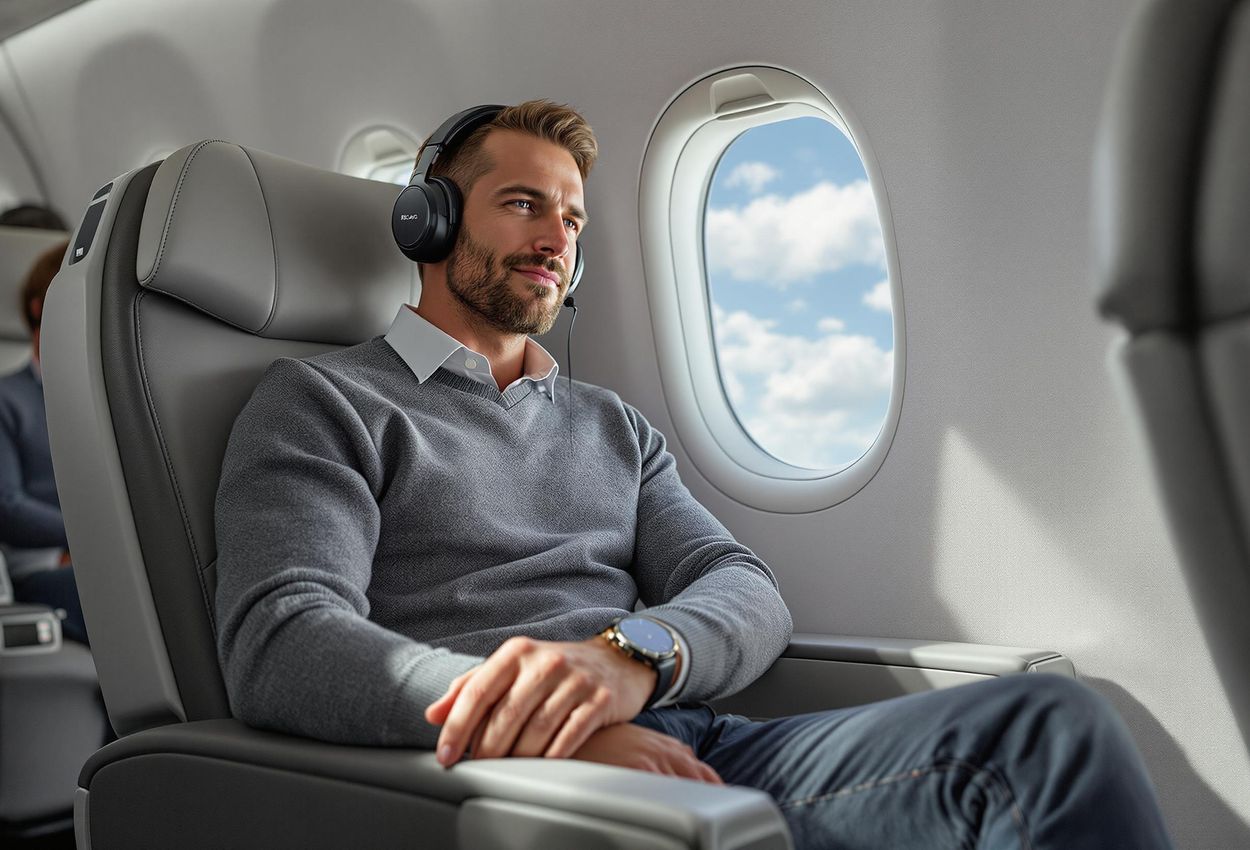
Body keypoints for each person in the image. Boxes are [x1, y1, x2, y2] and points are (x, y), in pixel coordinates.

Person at [214, 100, 1174, 848]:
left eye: (573, 220)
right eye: (523, 204)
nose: (557, 241)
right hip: (507, 780)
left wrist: (627, 660)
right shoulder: (322, 401)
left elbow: (745, 587)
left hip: (689, 732)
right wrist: (553, 727)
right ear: (428, 220)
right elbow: (284, 642)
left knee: (1048, 729)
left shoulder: (611, 425)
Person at [0, 238, 89, 645]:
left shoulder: (99, 400)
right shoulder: (6, 398)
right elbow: (7, 506)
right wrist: (90, 535)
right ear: (39, 307)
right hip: (39, 565)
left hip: (96, 555)